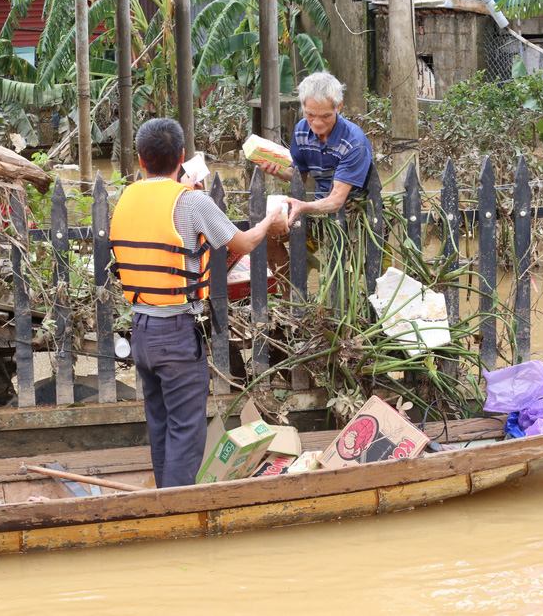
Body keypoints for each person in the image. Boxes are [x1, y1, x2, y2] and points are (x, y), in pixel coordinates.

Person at [110, 118, 288, 488]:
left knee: (160, 425)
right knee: (186, 431)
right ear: (181, 157)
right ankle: (177, 514)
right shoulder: (191, 201)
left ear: (141, 161)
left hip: (140, 331)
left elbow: (159, 222)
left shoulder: (126, 197)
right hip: (174, 333)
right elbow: (243, 243)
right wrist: (270, 218)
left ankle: (163, 498)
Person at [254, 72, 374, 278]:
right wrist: (277, 169)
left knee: (355, 274)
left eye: (325, 116)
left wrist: (304, 207)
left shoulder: (354, 142)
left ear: (339, 106)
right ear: (302, 106)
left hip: (353, 216)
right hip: (316, 210)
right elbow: (297, 176)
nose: (317, 123)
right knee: (267, 235)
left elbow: (336, 201)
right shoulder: (301, 130)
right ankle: (290, 296)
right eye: (310, 114)